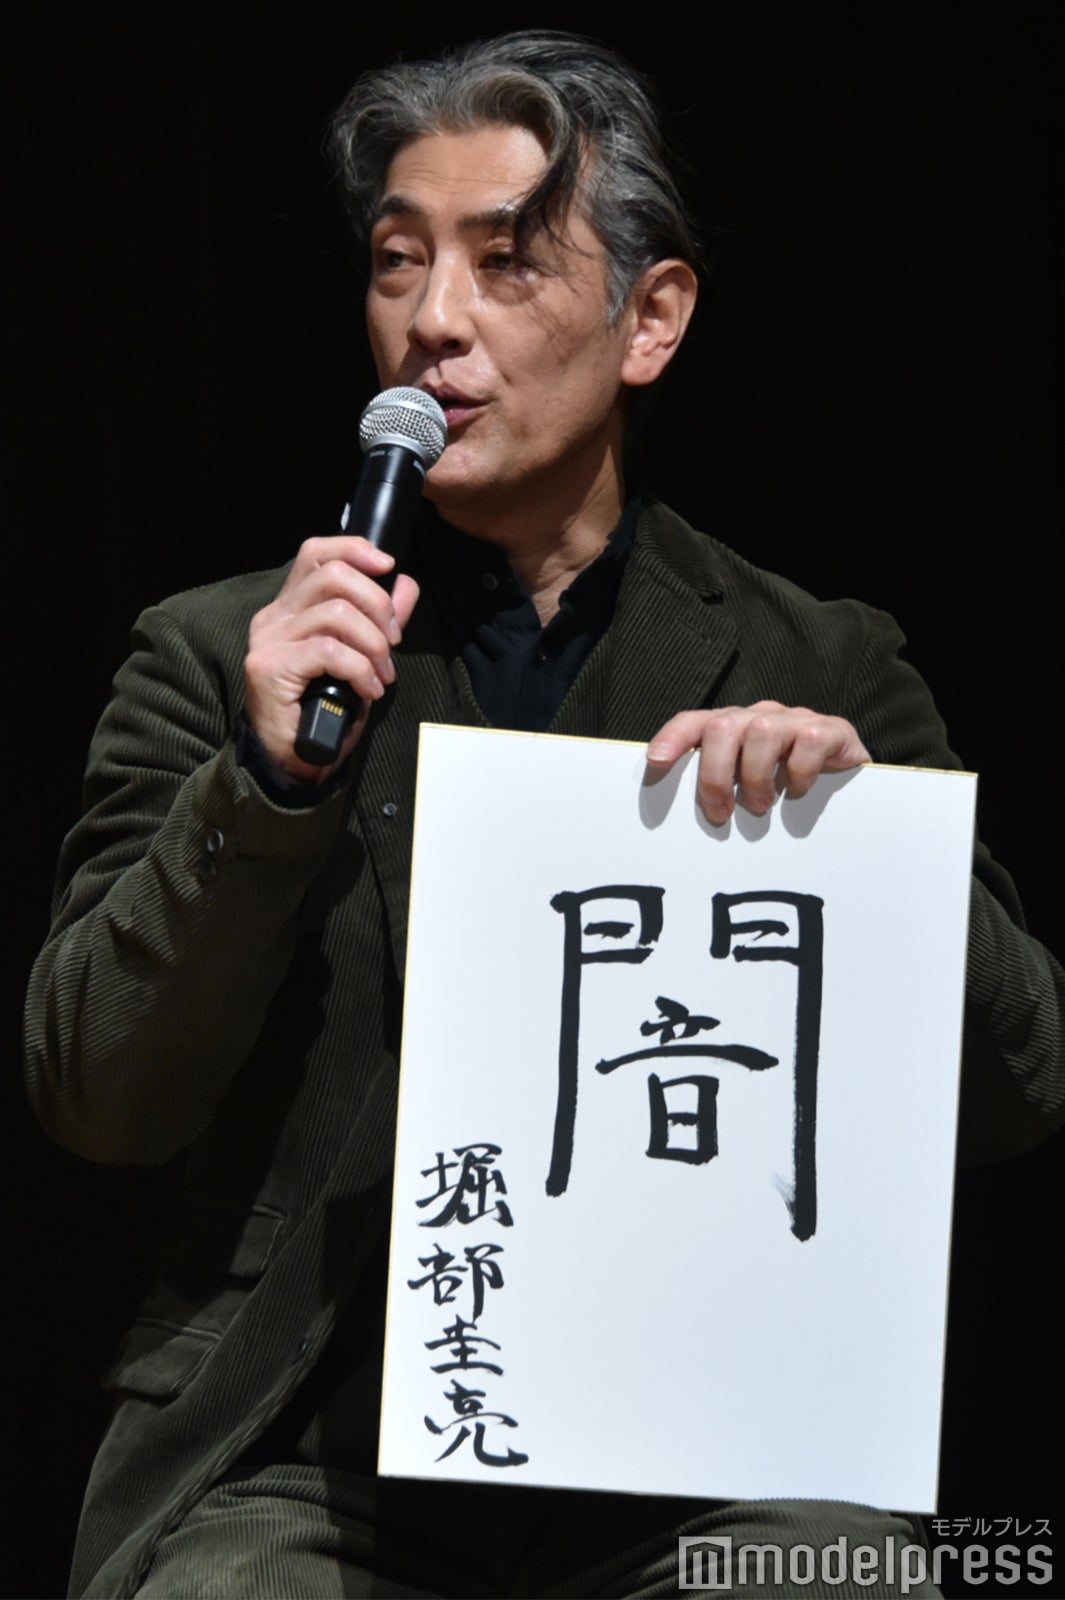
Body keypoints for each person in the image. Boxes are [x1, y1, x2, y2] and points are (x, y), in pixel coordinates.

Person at [23, 29, 1063, 1600]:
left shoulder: (817, 664)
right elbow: (99, 1096)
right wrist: (268, 785)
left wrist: (863, 855)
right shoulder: (224, 653)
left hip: (707, 1459)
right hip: (315, 1462)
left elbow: (1019, 1094)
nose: (431, 321)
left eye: (504, 263)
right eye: (398, 260)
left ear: (651, 319)